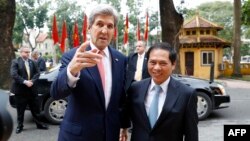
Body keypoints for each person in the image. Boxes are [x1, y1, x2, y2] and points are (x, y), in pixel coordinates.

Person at [50, 4, 129, 141]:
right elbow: (56, 92)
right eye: (99, 24)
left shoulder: (120, 59)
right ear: (89, 28)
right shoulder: (73, 56)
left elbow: (121, 97)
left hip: (110, 134)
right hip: (79, 136)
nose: (104, 30)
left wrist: (124, 124)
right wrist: (72, 70)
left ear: (114, 31)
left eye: (110, 26)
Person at [126, 42, 198, 141]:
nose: (157, 68)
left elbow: (191, 134)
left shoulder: (187, 94)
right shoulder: (135, 88)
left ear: (173, 65)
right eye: (153, 62)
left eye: (163, 63)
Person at [10, 46, 48, 134]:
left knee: (36, 109)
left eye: (28, 52)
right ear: (21, 52)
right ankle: (20, 126)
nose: (28, 53)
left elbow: (38, 73)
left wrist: (32, 81)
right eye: (26, 52)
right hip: (20, 91)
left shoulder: (33, 62)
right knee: (20, 110)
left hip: (32, 90)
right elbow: (14, 74)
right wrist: (25, 82)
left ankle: (39, 124)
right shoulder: (15, 62)